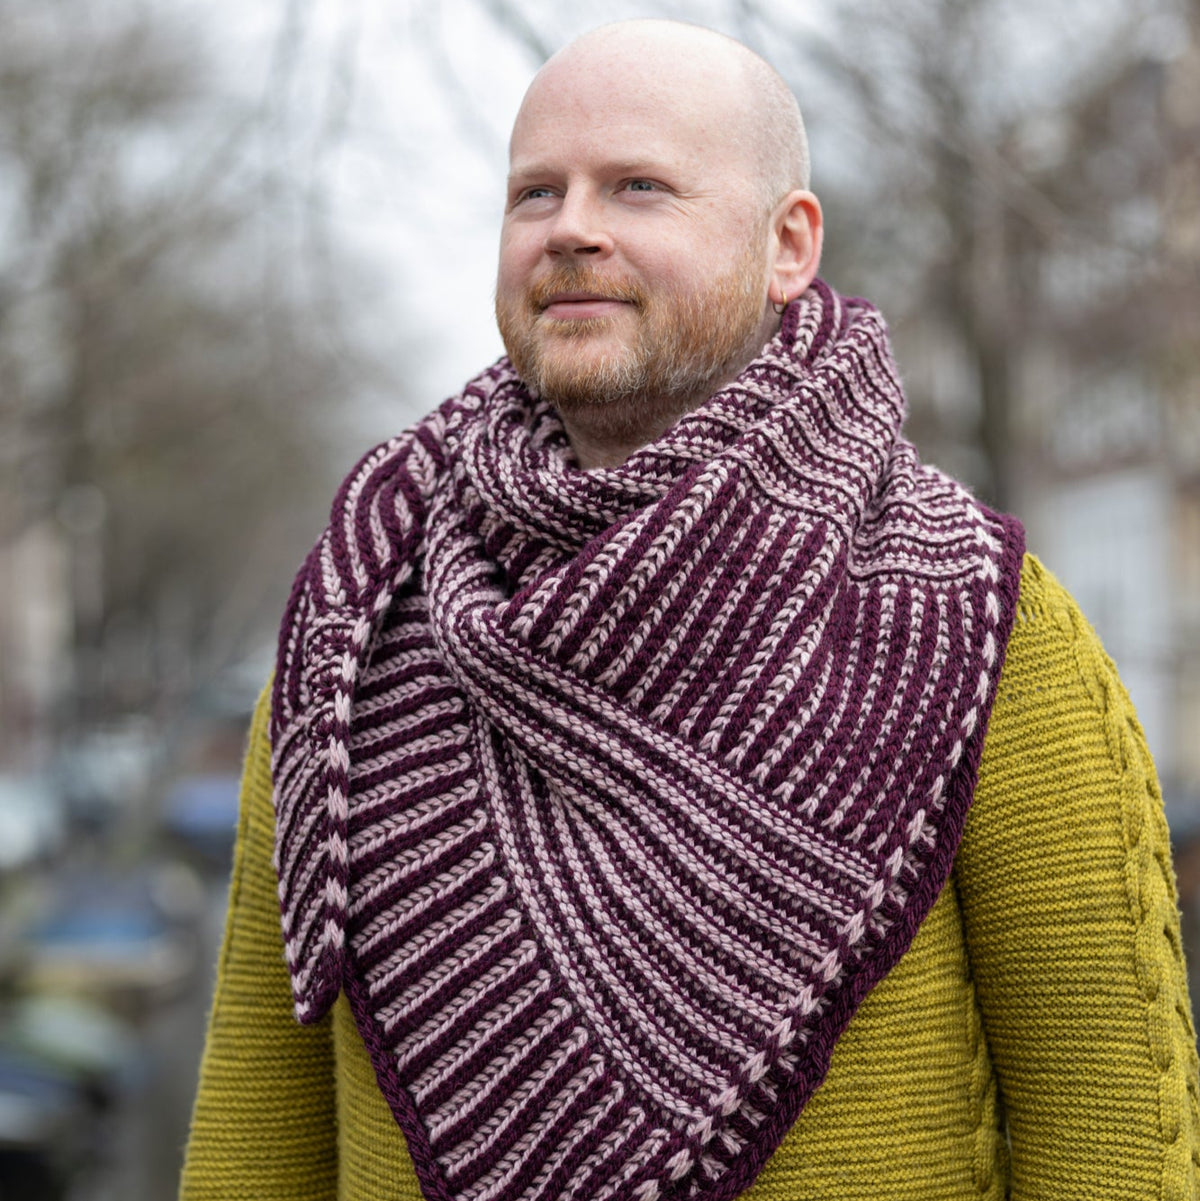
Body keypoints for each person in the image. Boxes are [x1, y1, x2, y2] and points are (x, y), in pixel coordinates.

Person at [179, 19, 1199, 1201]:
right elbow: (254, 1141)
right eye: (534, 194)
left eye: (640, 187)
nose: (570, 227)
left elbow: (1114, 1144)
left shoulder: (970, 621)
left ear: (787, 245)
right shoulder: (360, 620)